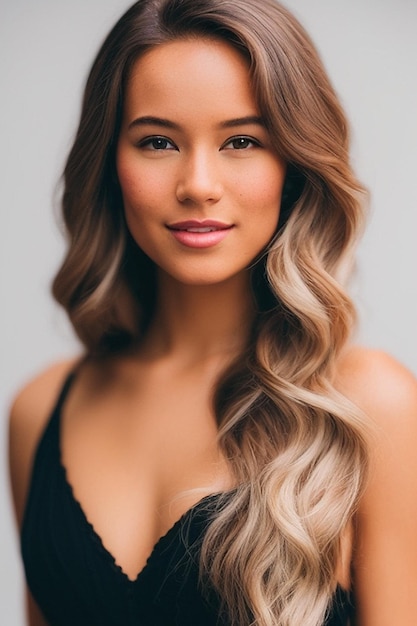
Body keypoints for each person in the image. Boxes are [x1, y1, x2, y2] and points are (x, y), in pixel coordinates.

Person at [8, 0, 417, 625]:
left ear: (294, 165)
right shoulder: (39, 412)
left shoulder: (371, 406)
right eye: (158, 141)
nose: (198, 182)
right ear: (110, 162)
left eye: (243, 141)